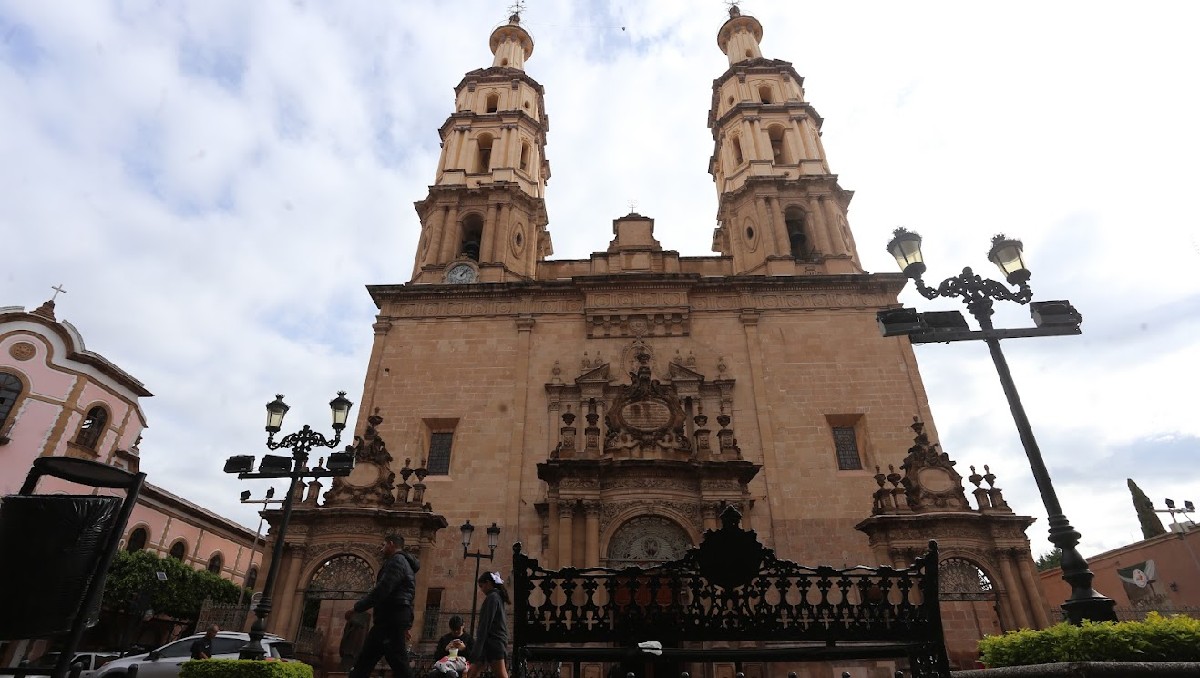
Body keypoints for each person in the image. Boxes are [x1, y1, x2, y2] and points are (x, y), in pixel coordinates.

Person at [346, 534, 420, 678]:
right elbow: (405, 595)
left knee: (396, 662)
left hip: (390, 619)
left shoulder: (397, 561)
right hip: (391, 619)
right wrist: (405, 624)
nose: (381, 549)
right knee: (367, 661)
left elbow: (383, 589)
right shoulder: (403, 563)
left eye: (383, 545)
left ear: (391, 544)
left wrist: (357, 608)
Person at [464, 572, 509, 678]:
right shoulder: (496, 597)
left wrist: (477, 647)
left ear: (488, 583)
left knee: (500, 674)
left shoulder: (493, 597)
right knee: (472, 673)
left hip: (494, 642)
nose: (482, 589)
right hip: (490, 642)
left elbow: (485, 623)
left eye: (481, 586)